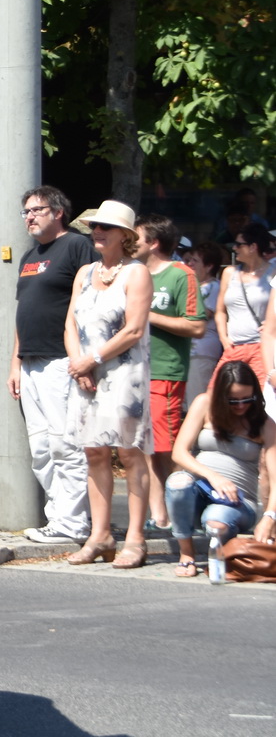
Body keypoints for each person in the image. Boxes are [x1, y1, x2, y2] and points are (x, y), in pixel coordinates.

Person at [62, 201, 154, 567]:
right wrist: (77, 363)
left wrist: (92, 358)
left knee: (129, 452)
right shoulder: (84, 272)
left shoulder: (137, 273)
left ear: (125, 236)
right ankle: (99, 535)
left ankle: (136, 537)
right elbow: (70, 322)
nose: (97, 231)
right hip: (84, 373)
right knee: (93, 452)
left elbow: (133, 329)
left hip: (123, 372)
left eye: (106, 227)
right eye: (94, 226)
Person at [12, 186, 98, 545]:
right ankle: (58, 518)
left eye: (37, 210)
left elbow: (88, 304)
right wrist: (15, 362)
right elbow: (22, 312)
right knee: (42, 449)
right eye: (26, 212)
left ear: (59, 212)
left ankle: (74, 524)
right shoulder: (29, 255)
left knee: (66, 445)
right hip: (30, 361)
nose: (30, 217)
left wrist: (84, 358)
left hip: (61, 360)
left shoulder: (77, 246)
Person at [164, 360, 274, 578]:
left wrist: (269, 517)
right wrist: (213, 477)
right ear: (221, 396)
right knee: (177, 482)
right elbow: (179, 452)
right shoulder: (204, 404)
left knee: (215, 522)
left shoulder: (264, 423)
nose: (241, 406)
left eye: (247, 399)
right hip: (200, 489)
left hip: (238, 501)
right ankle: (187, 554)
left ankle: (222, 552)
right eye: (233, 401)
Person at [134, 214, 204, 530]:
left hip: (166, 372)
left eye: (136, 238)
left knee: (169, 448)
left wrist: (146, 315)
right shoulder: (133, 274)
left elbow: (196, 325)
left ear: (154, 242)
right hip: (133, 372)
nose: (130, 243)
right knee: (144, 445)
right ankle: (159, 515)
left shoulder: (181, 274)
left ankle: (185, 511)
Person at [214, 217, 274, 388]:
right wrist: (224, 338)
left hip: (261, 347)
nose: (234, 248)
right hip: (233, 346)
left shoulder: (273, 273)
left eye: (239, 245)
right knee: (217, 393)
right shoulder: (229, 272)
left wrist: (271, 327)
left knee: (260, 397)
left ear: (253, 247)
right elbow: (220, 311)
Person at [181, 239, 225, 395]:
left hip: (201, 351)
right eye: (189, 260)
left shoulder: (214, 287)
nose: (190, 264)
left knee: (196, 397)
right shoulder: (194, 286)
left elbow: (202, 315)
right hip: (189, 351)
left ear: (209, 266)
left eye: (195, 261)